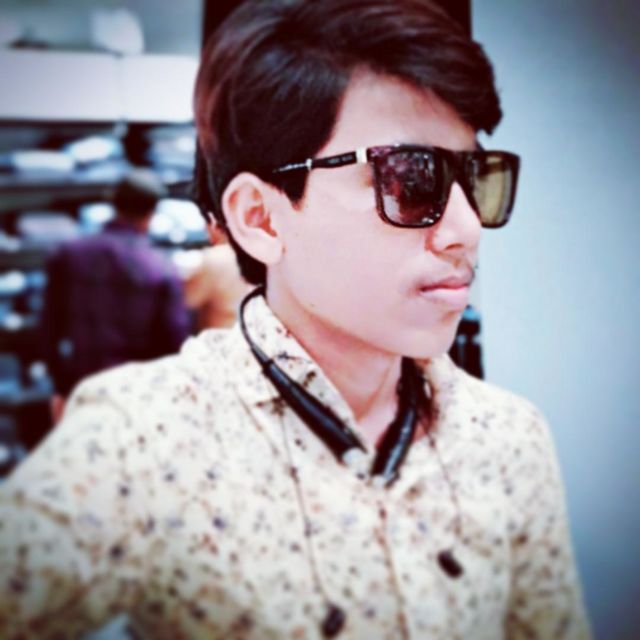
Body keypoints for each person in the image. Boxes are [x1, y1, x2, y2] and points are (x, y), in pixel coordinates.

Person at [0, 1, 591, 638]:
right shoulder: (144, 440)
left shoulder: (507, 439)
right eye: (410, 177)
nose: (467, 229)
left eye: (475, 178)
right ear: (260, 218)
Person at [41, 168, 191, 417]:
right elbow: (175, 341)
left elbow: (49, 329)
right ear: (152, 213)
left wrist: (60, 387)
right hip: (136, 396)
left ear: (113, 203)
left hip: (81, 389)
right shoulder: (160, 267)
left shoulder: (69, 254)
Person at [183, 222, 252, 330]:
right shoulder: (263, 255)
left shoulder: (215, 257)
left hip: (222, 332)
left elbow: (187, 302)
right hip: (252, 332)